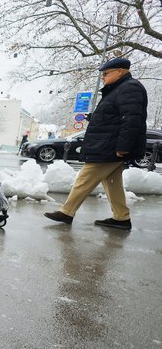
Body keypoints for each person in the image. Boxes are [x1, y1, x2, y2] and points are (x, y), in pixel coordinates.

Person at [44, 57, 147, 230]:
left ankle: (66, 212)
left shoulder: (129, 88)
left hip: (110, 147)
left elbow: (132, 119)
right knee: (112, 183)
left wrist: (123, 146)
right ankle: (121, 218)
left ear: (121, 71)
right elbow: (114, 115)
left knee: (84, 178)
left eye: (106, 73)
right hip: (109, 145)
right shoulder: (119, 89)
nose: (103, 77)